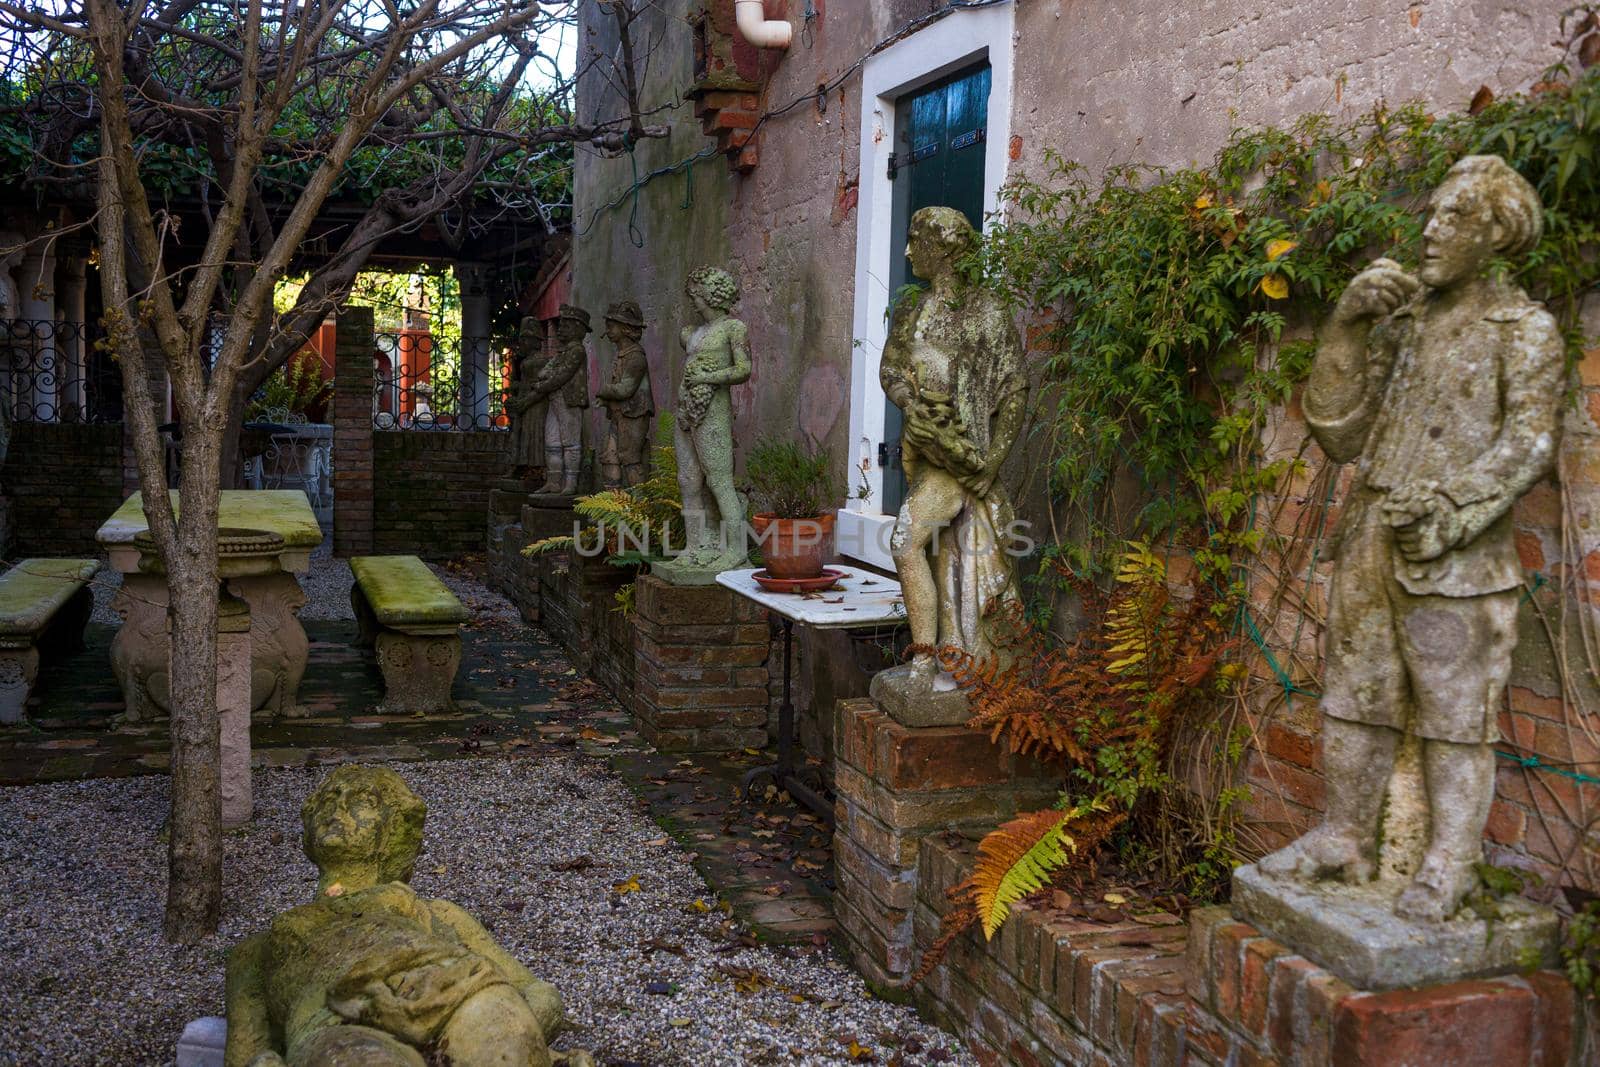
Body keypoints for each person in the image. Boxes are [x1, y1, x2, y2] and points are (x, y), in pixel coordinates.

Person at [1258, 155, 1563, 922]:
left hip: (1455, 553)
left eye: (1453, 217)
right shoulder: (1405, 321)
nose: (1430, 229)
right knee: (1355, 699)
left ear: (1495, 231)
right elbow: (1338, 432)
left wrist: (1453, 505)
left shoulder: (1524, 331)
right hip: (1372, 534)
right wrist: (1345, 327)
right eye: (1432, 213)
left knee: (1457, 714)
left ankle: (1451, 861)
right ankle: (1344, 836)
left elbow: (1528, 444)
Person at [224, 765, 592, 1067]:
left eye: (361, 801)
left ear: (392, 830)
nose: (339, 810)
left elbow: (539, 993)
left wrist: (526, 1033)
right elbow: (247, 1051)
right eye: (329, 800)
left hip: (451, 984)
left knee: (508, 1048)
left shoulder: (437, 912)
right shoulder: (258, 950)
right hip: (341, 1014)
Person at [876, 206, 1027, 700]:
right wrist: (910, 404)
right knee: (943, 556)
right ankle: (946, 652)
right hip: (927, 453)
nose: (906, 252)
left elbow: (1014, 391)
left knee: (906, 541)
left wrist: (992, 464)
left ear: (941, 248)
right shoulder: (912, 310)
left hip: (963, 462)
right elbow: (891, 371)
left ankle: (927, 659)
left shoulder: (987, 312)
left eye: (915, 241)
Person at [657, 267, 752, 579]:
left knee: (719, 480)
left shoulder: (733, 328)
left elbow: (743, 369)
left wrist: (708, 378)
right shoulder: (693, 333)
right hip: (687, 409)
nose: (694, 302)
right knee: (687, 480)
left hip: (713, 410)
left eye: (697, 296)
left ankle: (736, 551)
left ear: (712, 294)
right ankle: (698, 546)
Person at [531, 305, 591, 495]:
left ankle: (570, 483)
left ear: (578, 328)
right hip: (555, 399)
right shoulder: (562, 353)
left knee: (571, 442)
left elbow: (562, 376)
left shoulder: (577, 351)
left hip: (569, 400)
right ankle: (554, 482)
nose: (560, 329)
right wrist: (546, 379)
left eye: (566, 325)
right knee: (552, 442)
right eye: (561, 325)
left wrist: (543, 385)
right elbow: (545, 371)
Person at [595, 300, 655, 487]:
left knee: (630, 458)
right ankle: (613, 505)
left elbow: (626, 389)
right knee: (610, 457)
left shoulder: (636, 357)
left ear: (626, 328)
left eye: (611, 326)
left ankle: (637, 508)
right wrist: (607, 401)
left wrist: (604, 391)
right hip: (619, 414)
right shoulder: (623, 354)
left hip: (635, 415)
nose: (607, 330)